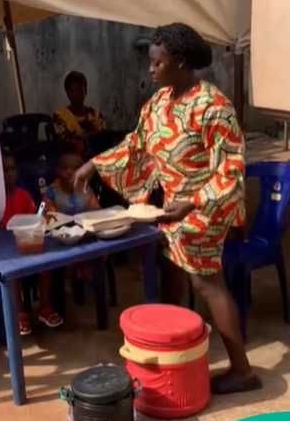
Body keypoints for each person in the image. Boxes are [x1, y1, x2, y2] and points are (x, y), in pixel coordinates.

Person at [74, 22, 258, 394]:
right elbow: (136, 144)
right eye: (150, 61)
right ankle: (176, 346)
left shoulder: (212, 106)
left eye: (158, 63)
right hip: (171, 206)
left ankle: (242, 370)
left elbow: (231, 169)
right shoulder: (158, 103)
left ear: (181, 61)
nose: (151, 68)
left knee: (205, 281)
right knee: (168, 266)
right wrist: (93, 164)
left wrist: (190, 203)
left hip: (205, 206)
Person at [1, 150, 62, 334]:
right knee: (12, 274)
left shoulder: (24, 195)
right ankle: (20, 314)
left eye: (11, 169)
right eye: (2, 169)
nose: (7, 174)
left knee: (46, 265)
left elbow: (34, 219)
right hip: (4, 251)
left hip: (27, 243)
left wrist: (43, 216)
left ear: (17, 172)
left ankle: (44, 308)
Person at [53, 71, 106, 156]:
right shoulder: (60, 115)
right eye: (72, 91)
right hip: (73, 160)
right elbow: (64, 144)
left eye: (80, 90)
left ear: (86, 91)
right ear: (67, 93)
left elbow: (104, 140)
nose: (77, 94)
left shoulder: (95, 114)